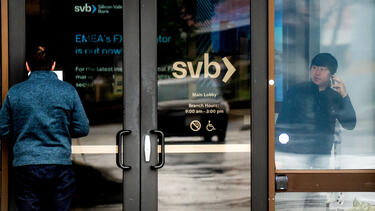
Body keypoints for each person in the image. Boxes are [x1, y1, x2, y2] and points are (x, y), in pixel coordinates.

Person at [0, 46, 89, 210]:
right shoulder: (68, 91)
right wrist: (59, 130)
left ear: (28, 66)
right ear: (53, 65)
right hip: (59, 165)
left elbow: (3, 130)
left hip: (25, 165)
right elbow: (82, 128)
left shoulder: (15, 92)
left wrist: (23, 131)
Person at [275, 53, 356, 169]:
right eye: (314, 68)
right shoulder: (295, 91)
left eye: (322, 69)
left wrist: (344, 94)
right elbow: (282, 123)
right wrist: (281, 151)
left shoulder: (334, 96)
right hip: (295, 154)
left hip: (322, 155)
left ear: (331, 75)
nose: (317, 73)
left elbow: (350, 124)